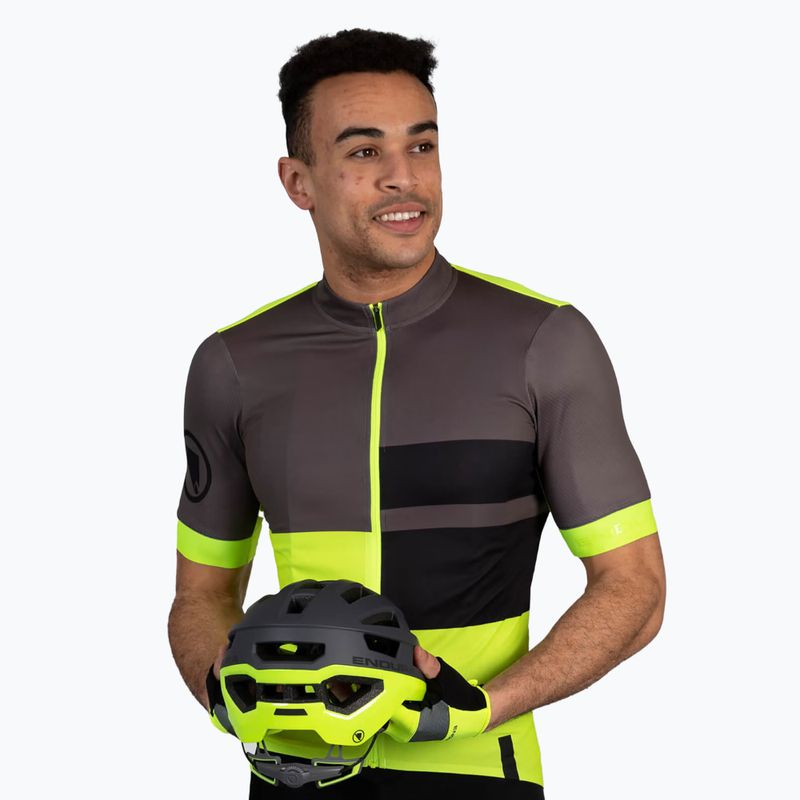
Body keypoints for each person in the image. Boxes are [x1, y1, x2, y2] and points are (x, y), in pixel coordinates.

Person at [168, 27, 666, 799]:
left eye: (422, 146)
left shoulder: (543, 343)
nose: (404, 178)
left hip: (479, 773)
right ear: (298, 181)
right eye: (365, 151)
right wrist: (223, 692)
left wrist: (481, 708)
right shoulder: (234, 364)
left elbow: (635, 589)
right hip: (294, 778)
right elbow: (200, 595)